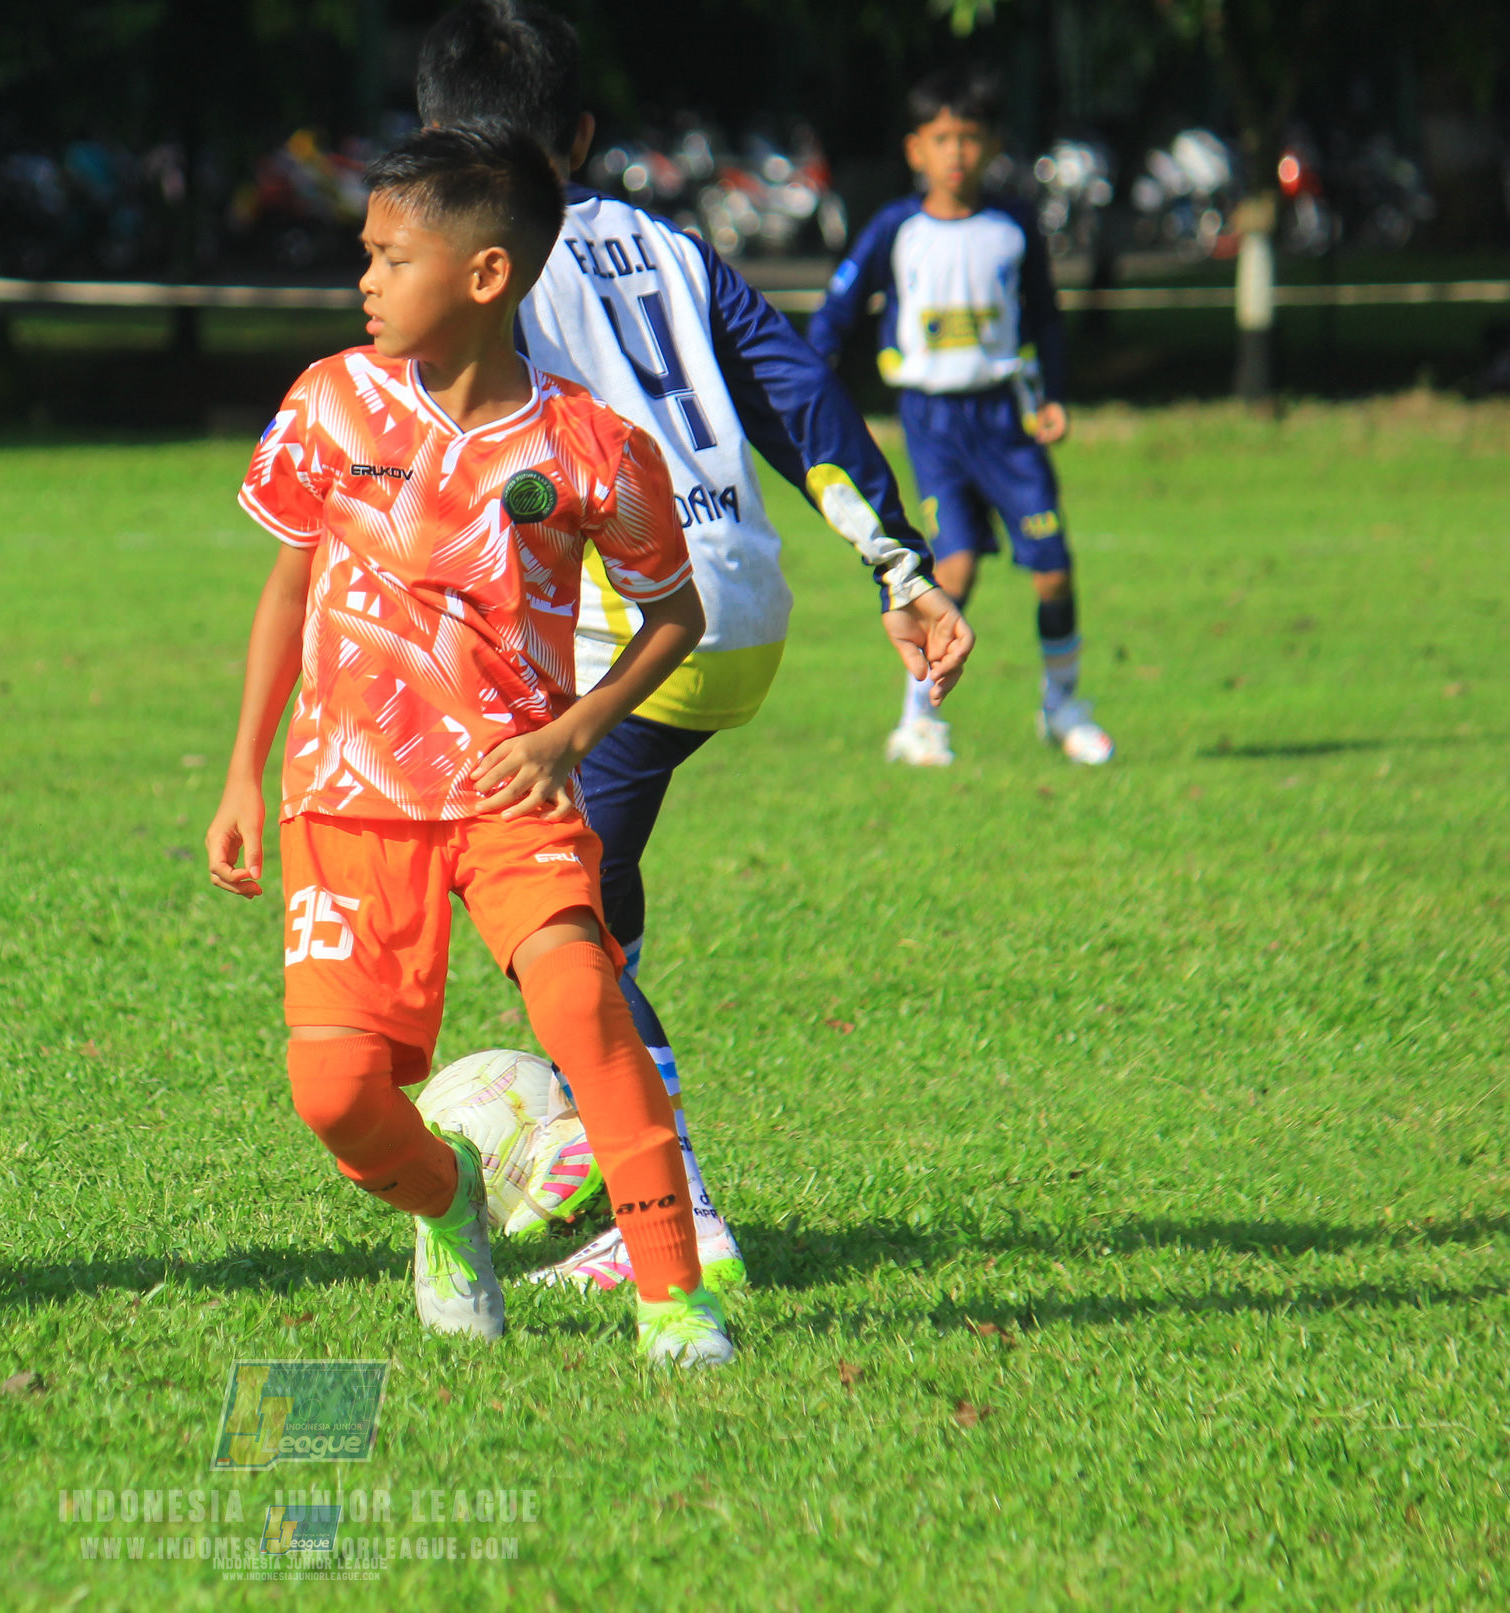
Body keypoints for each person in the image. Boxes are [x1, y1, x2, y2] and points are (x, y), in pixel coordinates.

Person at [414, 2, 972, 1294]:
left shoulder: (479, 255)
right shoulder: (663, 245)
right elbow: (798, 394)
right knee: (575, 893)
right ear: (584, 133)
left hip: (625, 628)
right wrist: (892, 561)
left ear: (437, 139)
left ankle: (668, 1214)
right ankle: (607, 1106)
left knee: (550, 918)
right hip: (736, 610)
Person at [204, 123, 736, 1367]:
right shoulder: (326, 401)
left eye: (390, 257)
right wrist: (241, 768)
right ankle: (449, 1197)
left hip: (508, 787)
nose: (366, 281)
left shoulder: (592, 447)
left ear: (485, 275)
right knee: (335, 1094)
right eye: (365, 257)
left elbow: (675, 616)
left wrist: (572, 730)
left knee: (585, 1002)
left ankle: (675, 1301)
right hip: (344, 796)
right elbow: (287, 589)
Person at [809, 65, 1110, 768]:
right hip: (933, 422)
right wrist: (811, 379)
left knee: (1053, 572)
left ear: (993, 144)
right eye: (941, 138)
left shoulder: (1012, 227)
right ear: (915, 149)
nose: (956, 153)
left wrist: (1055, 394)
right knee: (955, 566)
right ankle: (918, 720)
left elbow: (1045, 317)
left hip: (1004, 422)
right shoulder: (894, 229)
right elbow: (839, 312)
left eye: (969, 138)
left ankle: (1062, 706)